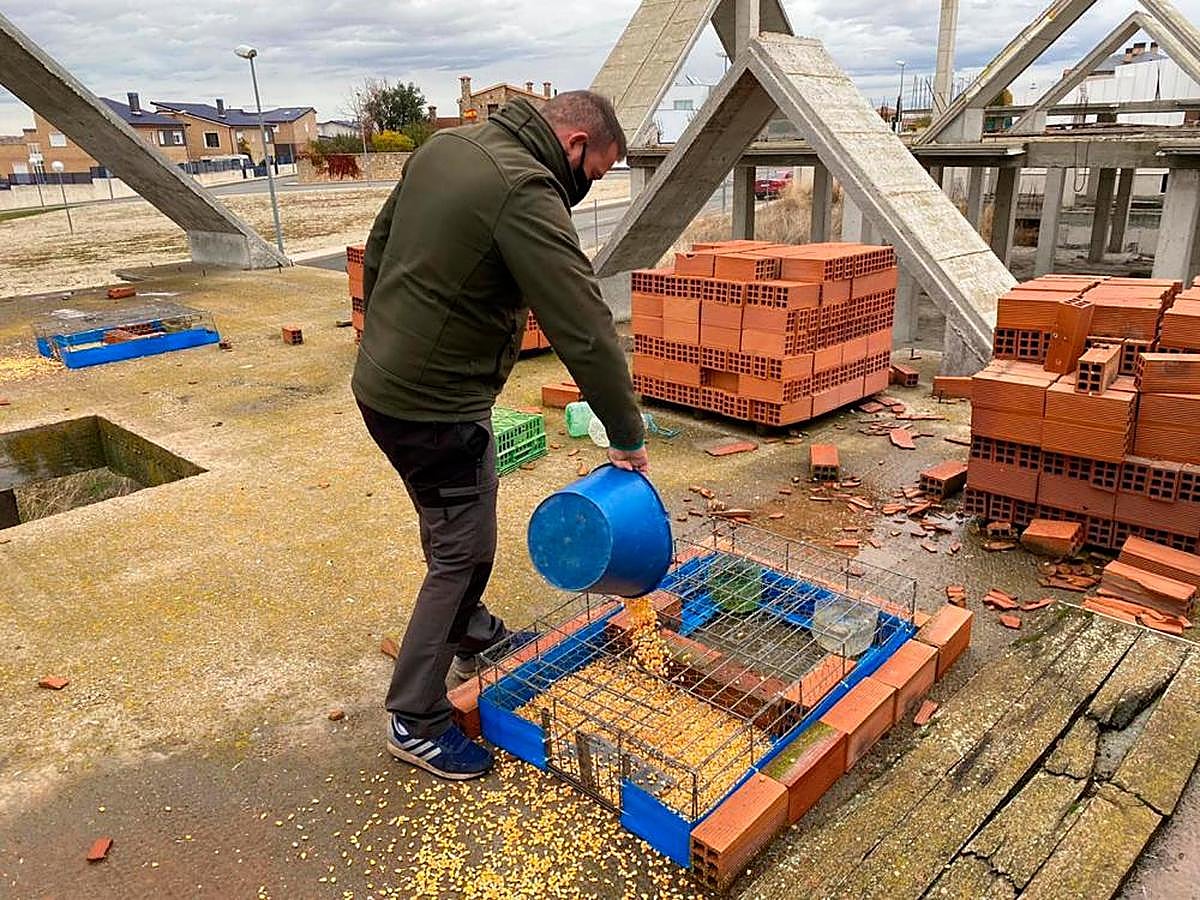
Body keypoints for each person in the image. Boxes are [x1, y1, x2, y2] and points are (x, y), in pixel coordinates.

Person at [352, 91, 650, 780]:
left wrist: (386, 341)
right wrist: (625, 431)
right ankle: (414, 718)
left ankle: (473, 632)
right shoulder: (525, 189)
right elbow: (583, 325)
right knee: (462, 549)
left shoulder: (448, 147)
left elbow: (379, 247)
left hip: (385, 385)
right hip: (435, 407)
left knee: (450, 518)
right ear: (575, 144)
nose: (589, 186)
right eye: (596, 173)